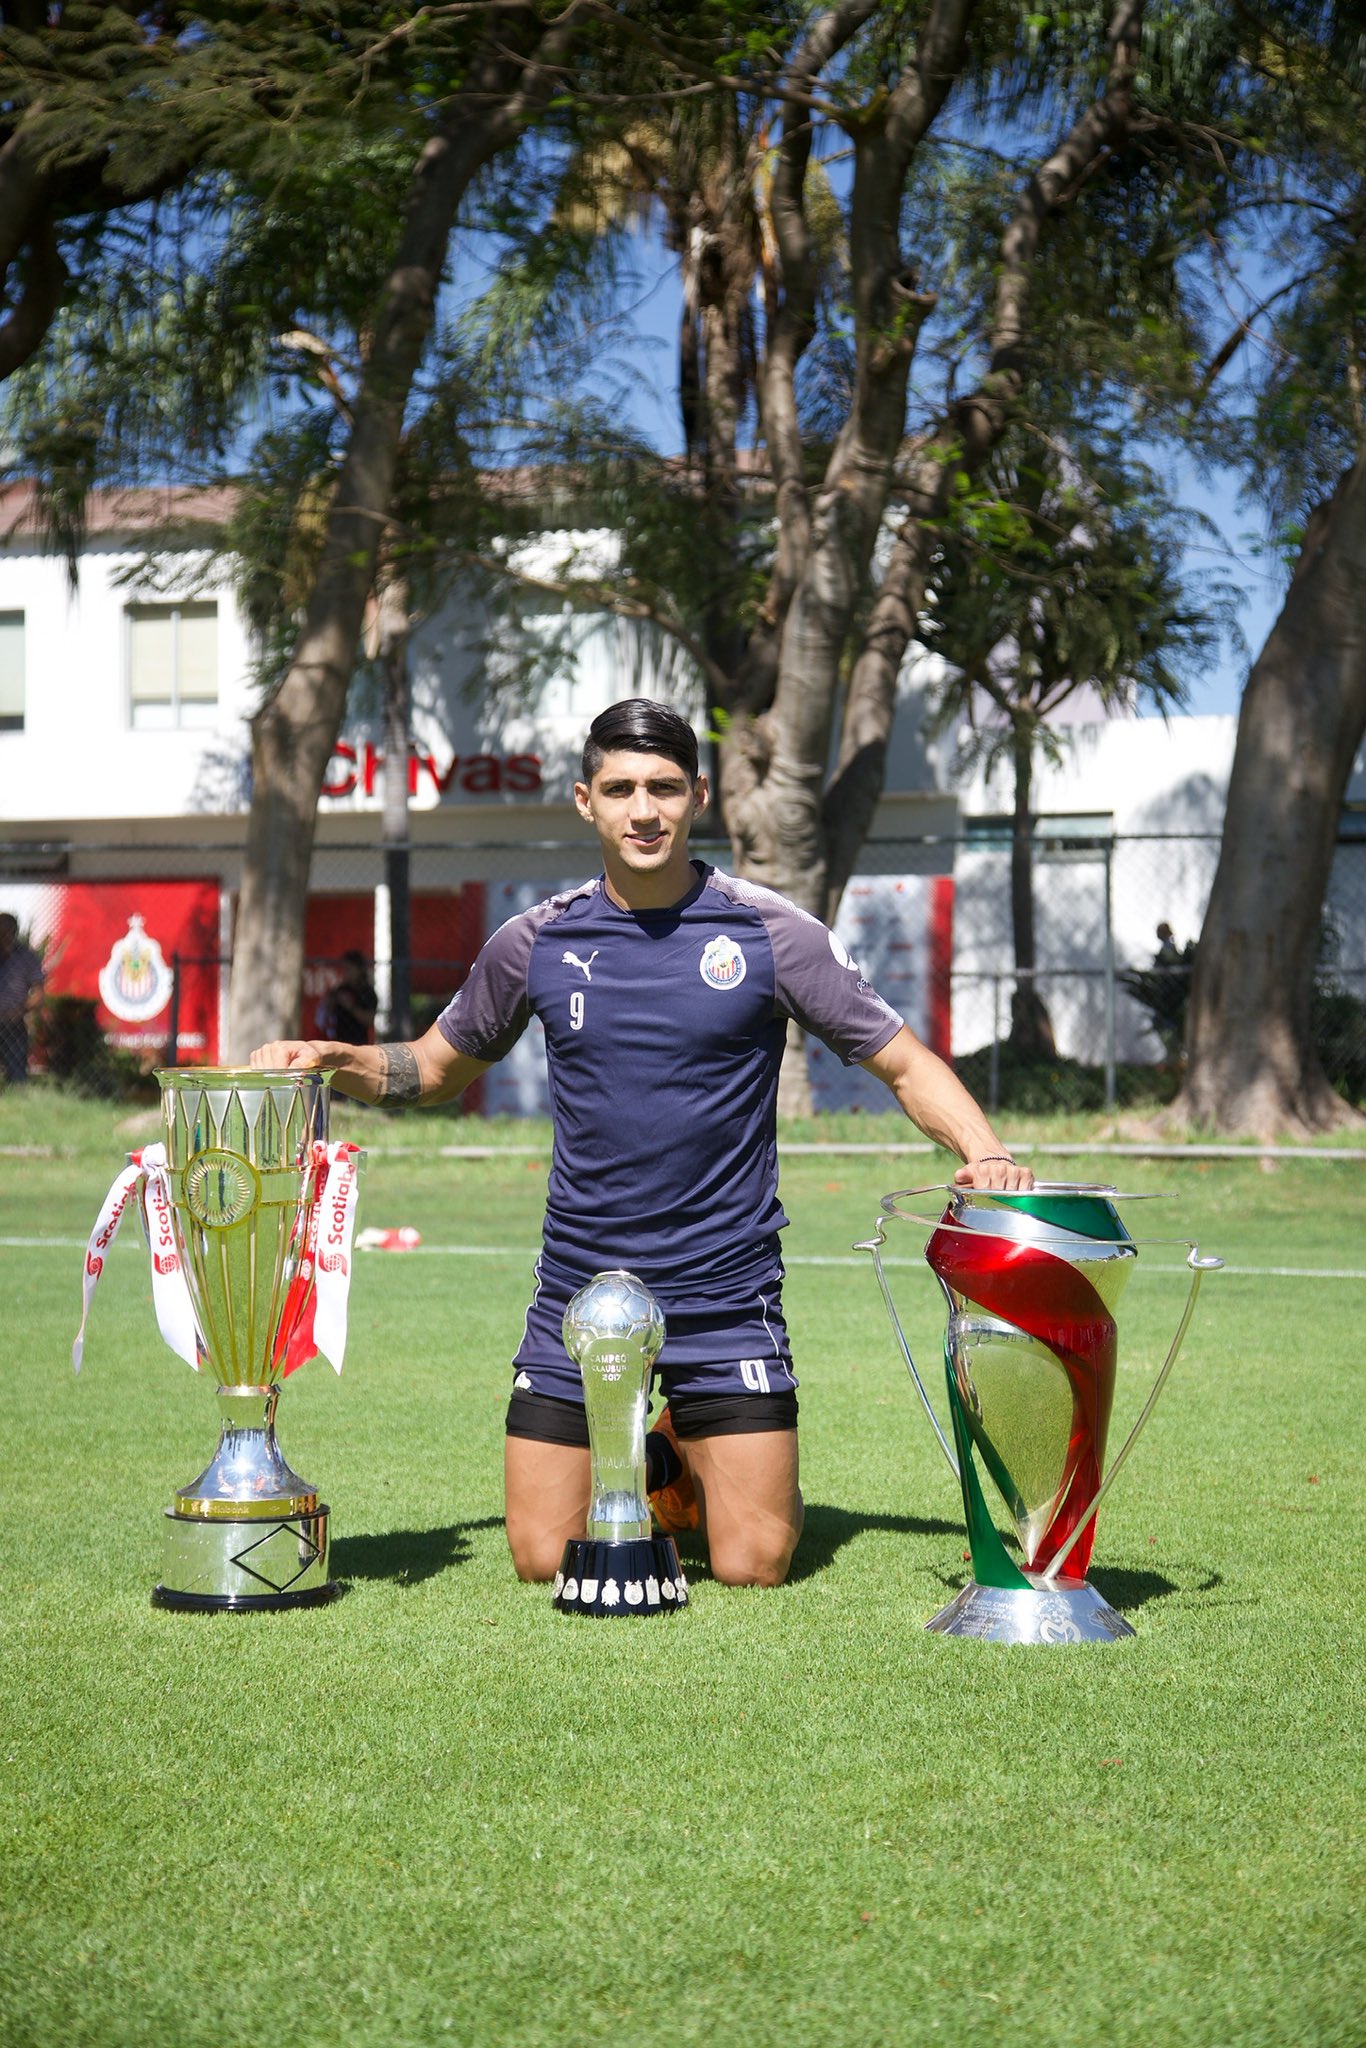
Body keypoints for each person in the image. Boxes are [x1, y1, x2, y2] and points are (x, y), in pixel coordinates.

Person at [252, 698, 1033, 1588]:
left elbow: (901, 1062)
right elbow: (433, 1069)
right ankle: (667, 1456)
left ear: (699, 796)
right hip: (577, 1296)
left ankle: (675, 1455)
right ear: (586, 801)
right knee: (544, 1557)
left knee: (755, 1563)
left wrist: (986, 1148)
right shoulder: (536, 941)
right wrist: (336, 1058)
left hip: (725, 1291)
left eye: (664, 787)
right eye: (620, 788)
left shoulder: (770, 932)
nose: (643, 810)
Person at [0, 912, 44, 1084]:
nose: (3, 935)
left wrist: (21, 1010)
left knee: (16, 1071)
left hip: (14, 1021)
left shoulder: (27, 957)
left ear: (14, 931)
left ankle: (17, 1100)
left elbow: (39, 991)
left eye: (7, 930)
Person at [315, 949, 378, 1045]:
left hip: (358, 1043)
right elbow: (324, 1016)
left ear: (359, 970)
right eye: (344, 969)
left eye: (349, 969)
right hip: (338, 1042)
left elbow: (369, 1019)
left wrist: (351, 1007)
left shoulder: (367, 993)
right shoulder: (340, 990)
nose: (345, 973)